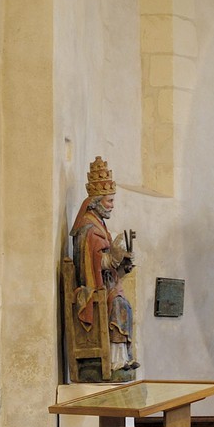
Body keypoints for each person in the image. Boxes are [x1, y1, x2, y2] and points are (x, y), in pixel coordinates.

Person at [70, 156, 137, 373]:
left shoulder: (99, 224)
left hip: (106, 284)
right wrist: (115, 255)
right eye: (109, 201)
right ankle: (116, 361)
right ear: (97, 201)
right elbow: (96, 261)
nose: (112, 206)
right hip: (93, 286)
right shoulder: (89, 227)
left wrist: (123, 263)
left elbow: (107, 262)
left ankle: (123, 357)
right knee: (118, 306)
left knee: (123, 305)